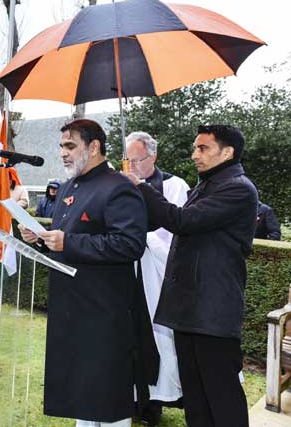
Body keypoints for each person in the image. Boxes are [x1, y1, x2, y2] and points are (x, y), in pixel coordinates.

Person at [124, 124, 257, 427]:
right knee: (196, 399)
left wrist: (140, 186)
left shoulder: (238, 188)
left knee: (221, 398)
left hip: (213, 312)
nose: (195, 154)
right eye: (196, 147)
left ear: (228, 152)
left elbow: (181, 220)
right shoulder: (206, 185)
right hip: (189, 309)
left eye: (203, 148)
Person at [19, 119, 147, 427]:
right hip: (70, 309)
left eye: (70, 146)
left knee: (106, 398)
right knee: (81, 397)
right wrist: (41, 239)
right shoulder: (66, 188)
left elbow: (130, 245)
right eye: (61, 146)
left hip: (104, 313)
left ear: (93, 147)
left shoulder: (119, 188)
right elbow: (66, 240)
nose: (62, 153)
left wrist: (68, 241)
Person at [125, 131, 190, 426]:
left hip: (157, 276)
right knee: (130, 337)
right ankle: (133, 397)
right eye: (128, 159)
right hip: (128, 274)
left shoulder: (174, 186)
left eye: (137, 159)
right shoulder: (120, 184)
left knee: (159, 339)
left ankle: (159, 401)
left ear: (154, 157)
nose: (132, 166)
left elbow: (177, 232)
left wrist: (145, 237)